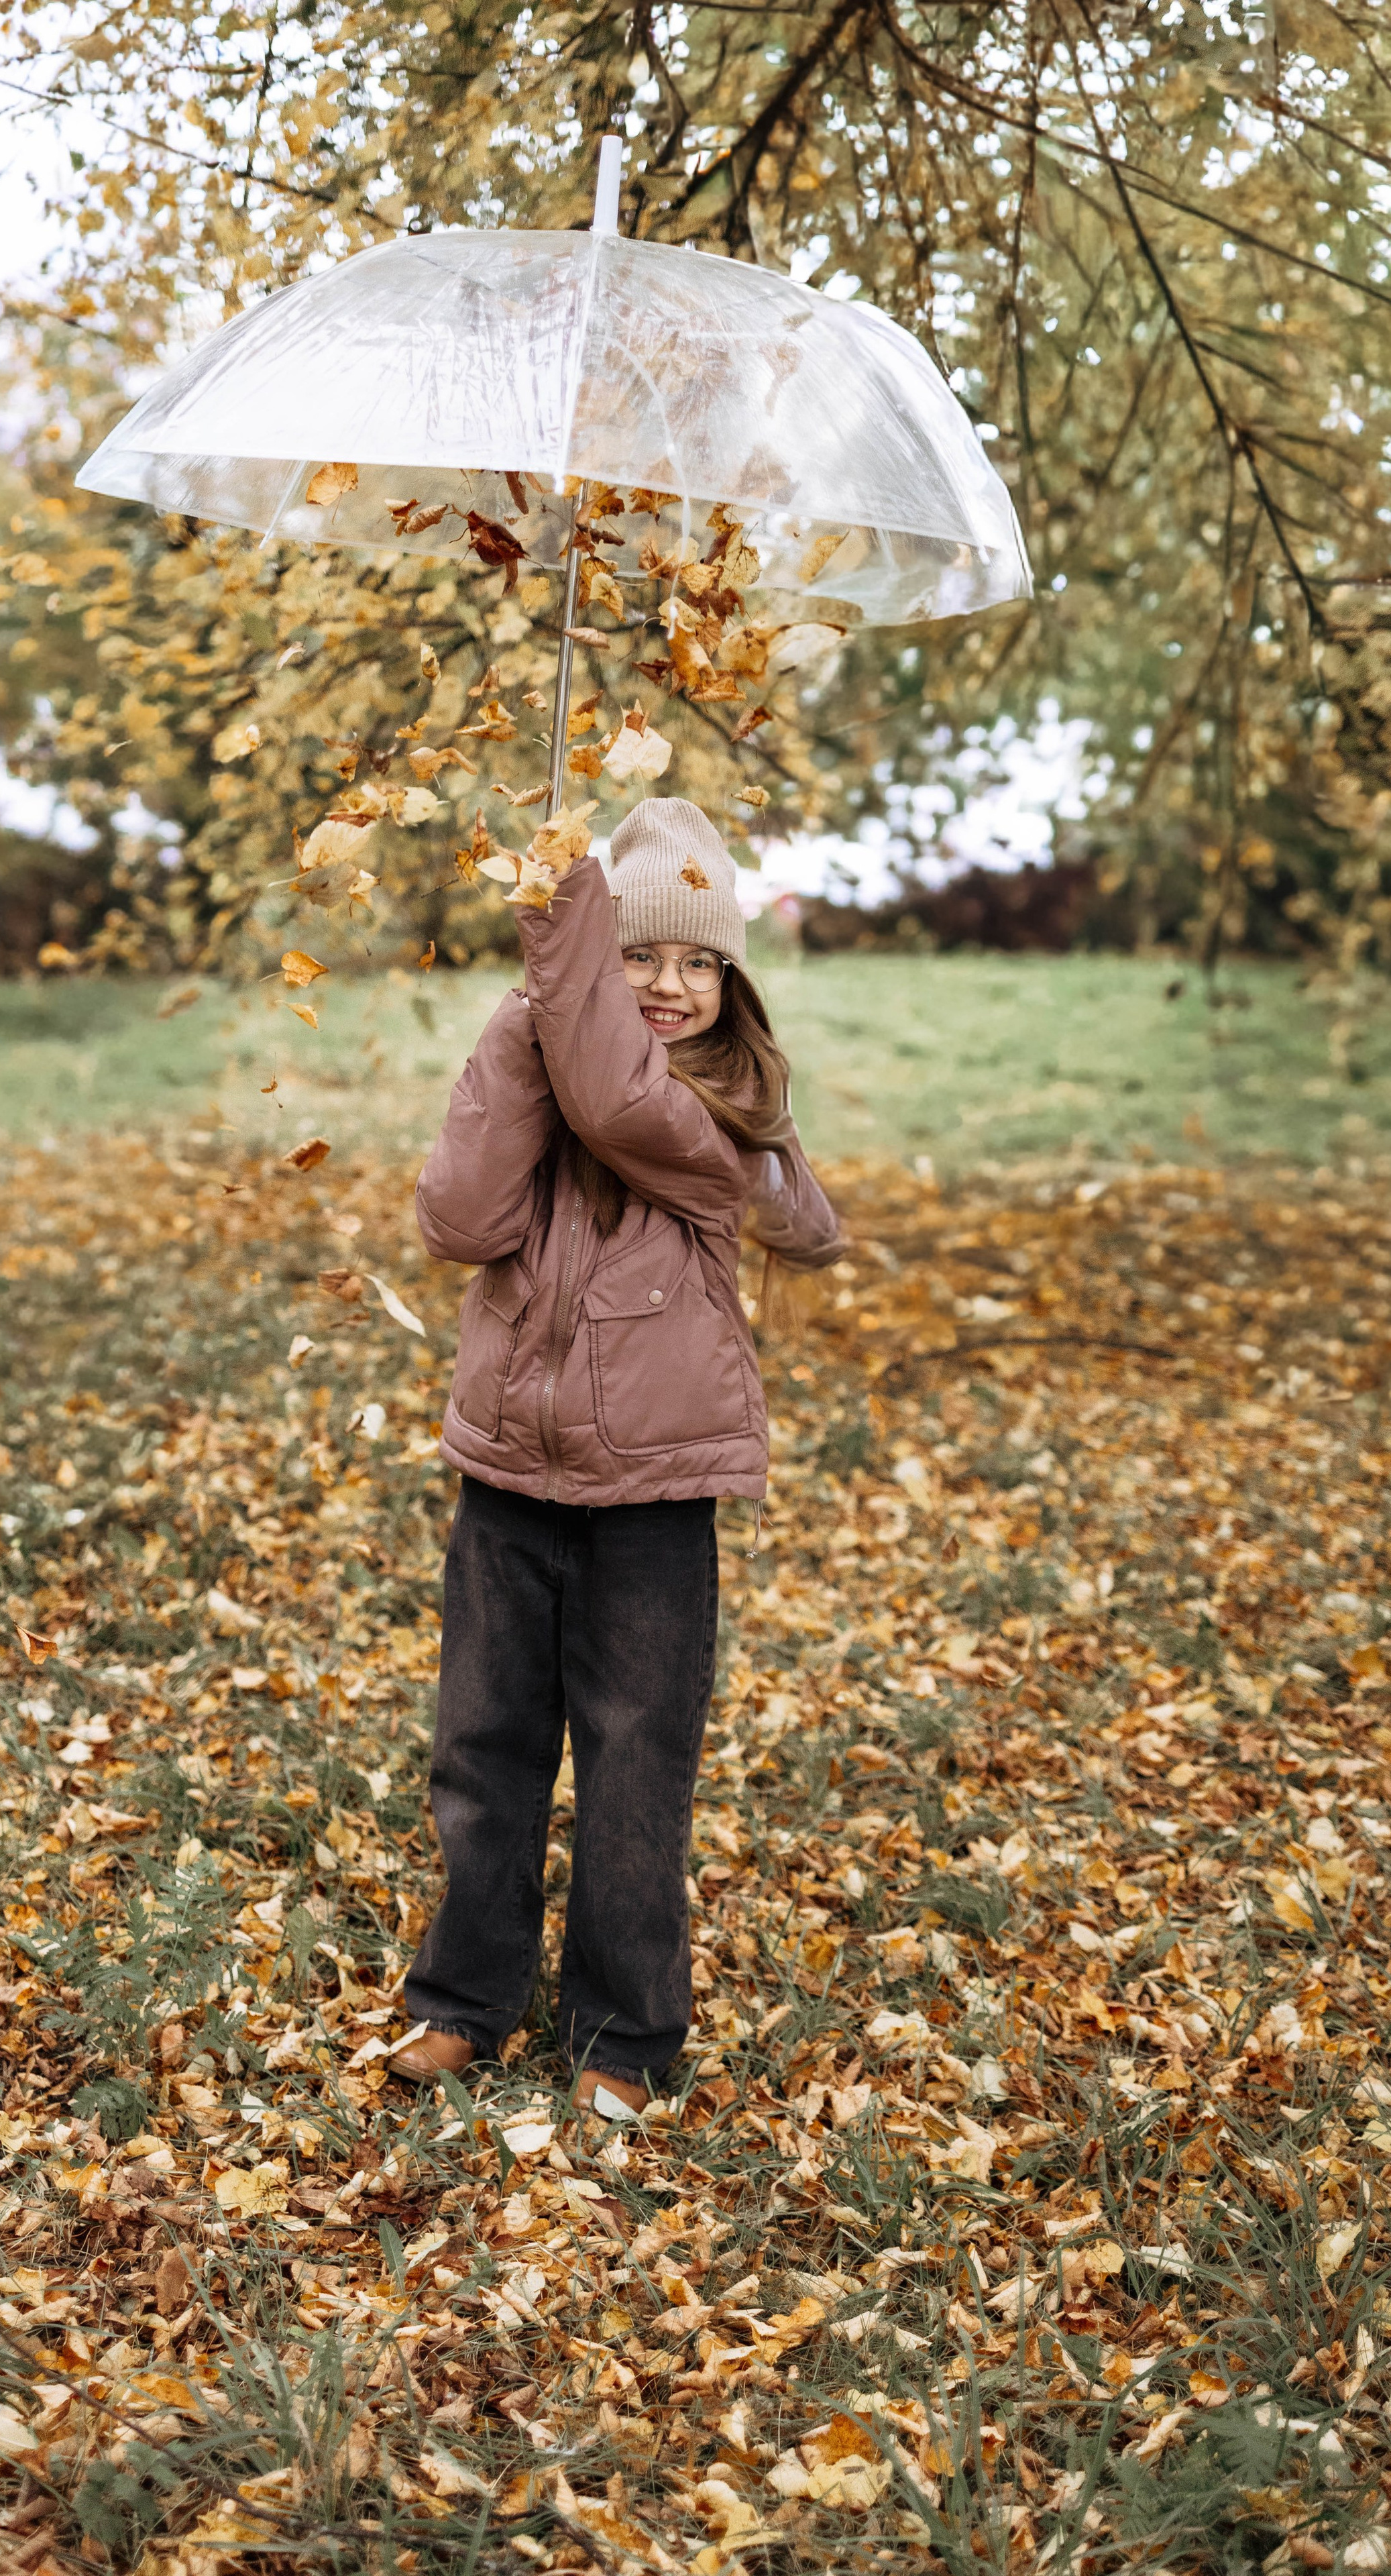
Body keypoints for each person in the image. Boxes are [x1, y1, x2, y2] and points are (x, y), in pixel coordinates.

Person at [389, 796, 843, 2116]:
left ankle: (624, 2037)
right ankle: (464, 2004)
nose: (670, 984)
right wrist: (525, 1028)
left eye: (701, 960)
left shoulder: (716, 1113)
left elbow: (623, 1104)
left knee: (636, 1760)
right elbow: (459, 1220)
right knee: (483, 1748)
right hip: (509, 1474)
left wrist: (558, 921)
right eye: (639, 952)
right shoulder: (553, 1043)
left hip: (652, 1489)